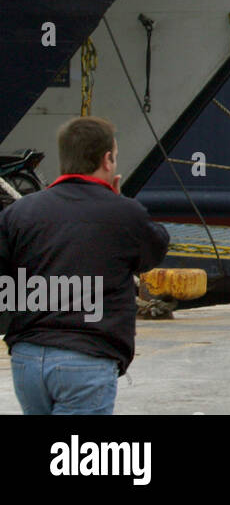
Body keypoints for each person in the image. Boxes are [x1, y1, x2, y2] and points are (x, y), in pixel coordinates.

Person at [0, 117, 170, 414]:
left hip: (27, 359)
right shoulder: (124, 213)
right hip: (85, 358)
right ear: (107, 159)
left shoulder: (20, 212)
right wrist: (119, 205)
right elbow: (153, 253)